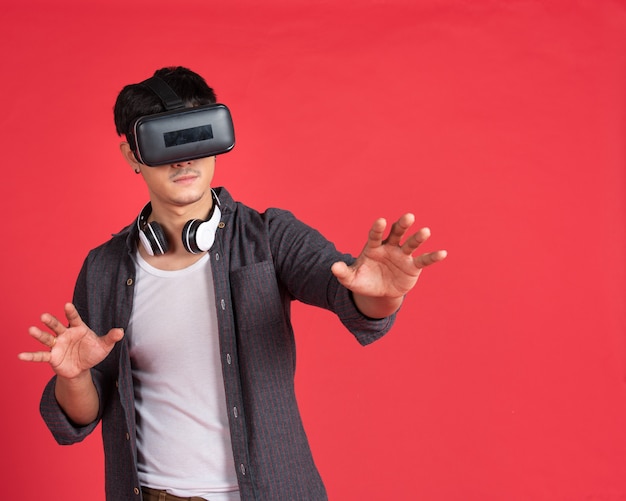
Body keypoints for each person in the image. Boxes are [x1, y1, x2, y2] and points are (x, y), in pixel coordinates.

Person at [18, 66, 447, 501]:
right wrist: (73, 377)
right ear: (132, 155)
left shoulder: (268, 238)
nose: (184, 159)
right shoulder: (103, 269)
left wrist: (383, 294)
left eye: (196, 136)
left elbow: (348, 293)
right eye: (165, 142)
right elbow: (83, 415)